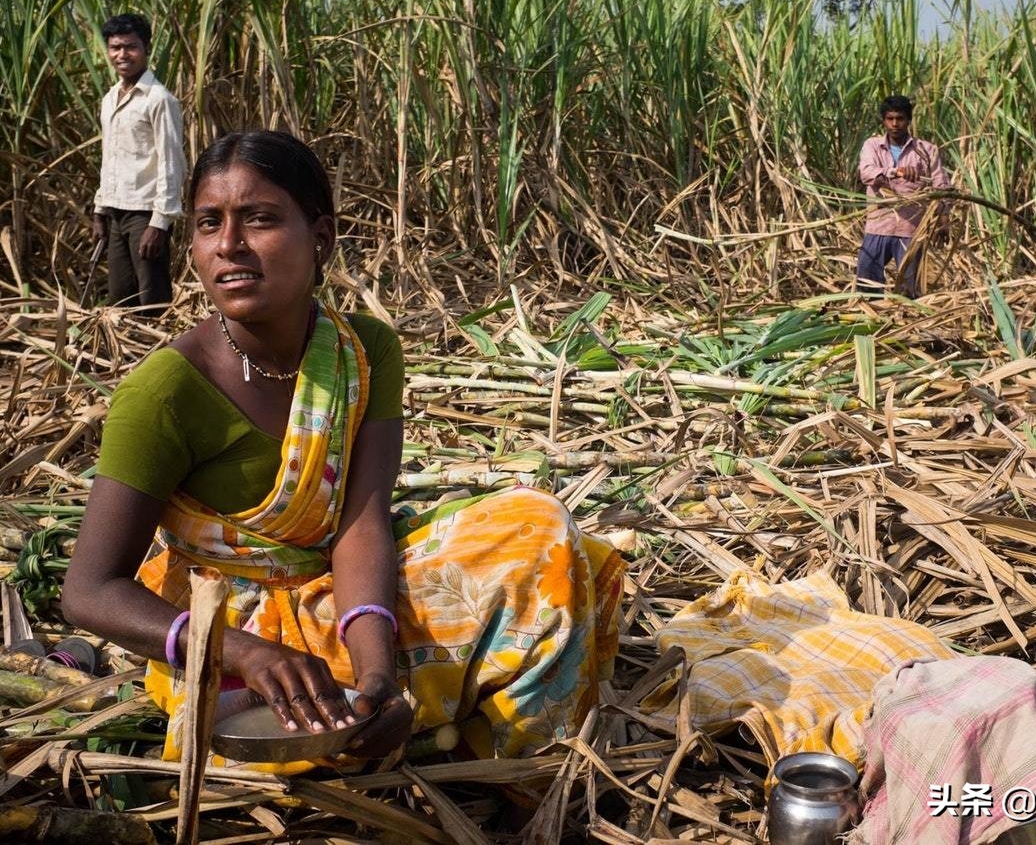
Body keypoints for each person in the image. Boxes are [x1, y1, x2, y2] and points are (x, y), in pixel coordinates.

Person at [62, 131, 624, 771]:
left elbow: (361, 524)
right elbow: (89, 590)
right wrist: (242, 653)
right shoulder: (162, 393)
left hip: (349, 595)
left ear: (322, 237)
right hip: (232, 632)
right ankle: (425, 720)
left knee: (539, 531)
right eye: (208, 224)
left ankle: (498, 766)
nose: (228, 246)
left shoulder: (362, 352)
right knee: (286, 731)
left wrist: (378, 671)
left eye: (260, 220)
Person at [91, 14, 186, 311]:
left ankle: (160, 354)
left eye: (130, 47)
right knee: (120, 297)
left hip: (145, 213)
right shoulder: (109, 99)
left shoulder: (159, 100)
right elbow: (111, 158)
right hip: (117, 211)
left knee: (152, 298)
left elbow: (172, 163)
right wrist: (100, 210)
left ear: (146, 48)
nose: (122, 55)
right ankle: (126, 357)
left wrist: (159, 223)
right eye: (115, 47)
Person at [855, 95, 951, 297]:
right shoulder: (872, 146)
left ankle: (909, 324)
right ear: (884, 120)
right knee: (867, 281)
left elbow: (940, 185)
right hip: (879, 224)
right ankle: (869, 321)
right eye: (890, 119)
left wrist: (944, 219)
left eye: (900, 119)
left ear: (909, 120)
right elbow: (867, 173)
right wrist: (896, 172)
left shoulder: (927, 150)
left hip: (911, 229)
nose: (895, 124)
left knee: (910, 285)